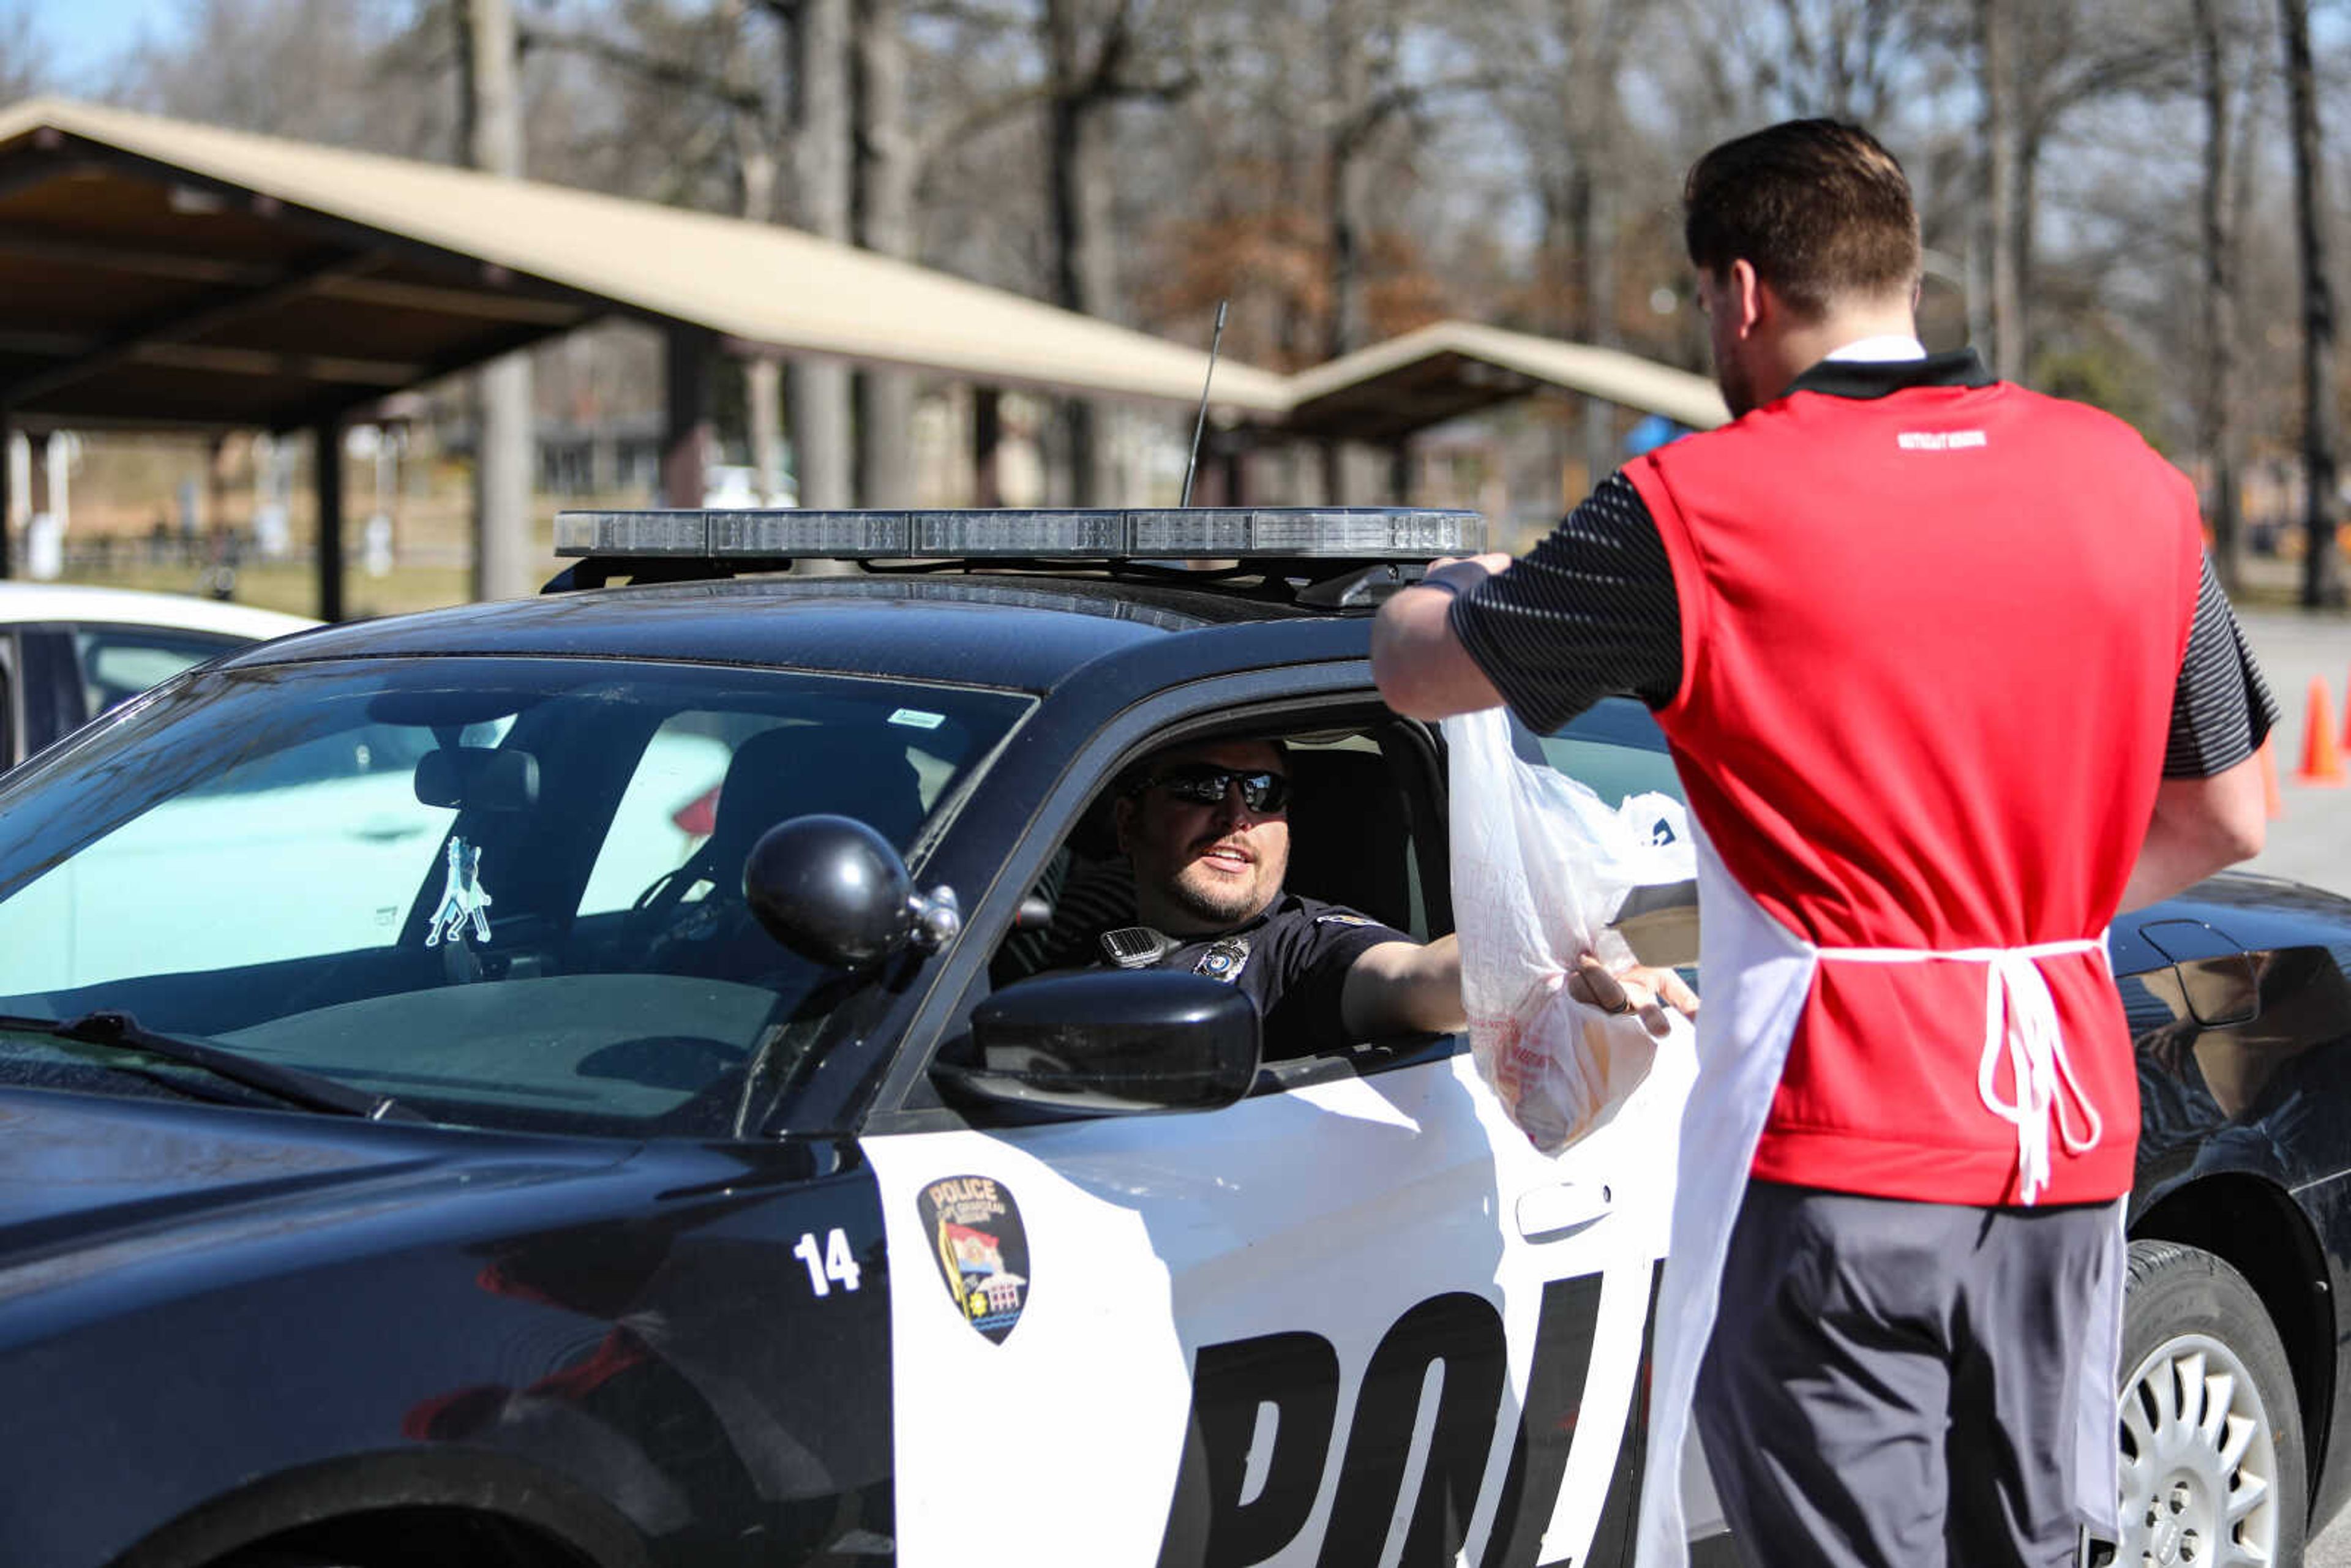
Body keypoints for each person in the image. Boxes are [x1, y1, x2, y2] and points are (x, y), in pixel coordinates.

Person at [1368, 119, 2277, 1568]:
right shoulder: (2131, 480)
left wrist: (1436, 585)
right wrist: (1987, 923)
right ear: (1897, 268)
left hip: (1841, 1119)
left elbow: (1423, 672)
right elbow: (2227, 808)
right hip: (2063, 1119)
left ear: (1738, 292)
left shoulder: (1694, 508)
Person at [1097, 735, 1694, 1049]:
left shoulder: (1302, 947)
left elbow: (1414, 976)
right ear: (1128, 821)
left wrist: (1580, 938)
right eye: (1201, 786)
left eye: (1262, 791)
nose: (1236, 816)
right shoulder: (1065, 922)